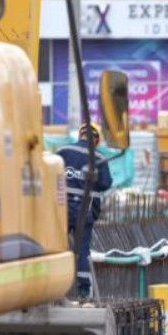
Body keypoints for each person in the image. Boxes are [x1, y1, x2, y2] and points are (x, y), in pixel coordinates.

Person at [57, 122, 113, 300]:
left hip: (61, 211)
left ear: (80, 135)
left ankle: (56, 291)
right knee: (82, 251)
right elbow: (105, 184)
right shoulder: (98, 157)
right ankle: (83, 292)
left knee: (58, 248)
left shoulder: (63, 151)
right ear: (96, 140)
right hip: (84, 211)